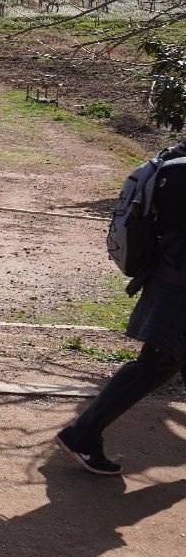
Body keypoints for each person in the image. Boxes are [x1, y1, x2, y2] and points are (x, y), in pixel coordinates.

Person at [56, 141, 186, 475]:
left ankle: (82, 435)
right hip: (177, 285)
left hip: (168, 276)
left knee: (163, 361)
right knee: (157, 363)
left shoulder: (174, 164)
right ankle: (82, 434)